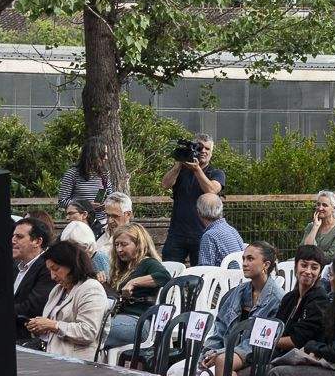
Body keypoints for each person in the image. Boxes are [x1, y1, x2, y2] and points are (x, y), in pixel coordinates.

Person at [186, 242, 284, 376]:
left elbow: (259, 341)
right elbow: (220, 327)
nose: (244, 263)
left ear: (266, 264)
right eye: (244, 258)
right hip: (225, 352)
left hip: (253, 354)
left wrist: (220, 353)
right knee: (177, 369)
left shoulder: (276, 299)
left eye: (250, 259)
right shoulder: (239, 292)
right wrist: (210, 351)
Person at [25, 240, 109, 360]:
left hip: (79, 362)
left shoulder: (91, 289)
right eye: (50, 270)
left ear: (72, 265)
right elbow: (51, 327)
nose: (52, 276)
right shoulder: (58, 290)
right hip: (55, 356)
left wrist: (53, 325)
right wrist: (39, 327)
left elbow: (88, 332)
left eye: (56, 269)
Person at [99, 223, 171, 356]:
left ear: (138, 244)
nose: (119, 249)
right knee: (85, 328)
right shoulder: (122, 268)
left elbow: (165, 277)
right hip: (118, 318)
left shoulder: (148, 263)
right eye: (116, 245)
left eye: (124, 244)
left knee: (94, 330)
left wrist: (134, 282)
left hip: (139, 322)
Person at [159, 133, 225, 262]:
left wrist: (197, 170)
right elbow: (165, 184)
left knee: (200, 273)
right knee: (169, 271)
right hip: (177, 233)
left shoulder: (216, 173)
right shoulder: (181, 171)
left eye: (207, 149)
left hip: (203, 233)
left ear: (212, 153)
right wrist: (179, 163)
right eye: (200, 148)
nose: (203, 151)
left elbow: (211, 190)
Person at [267, 246, 333, 355]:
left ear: (320, 273)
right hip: (279, 354)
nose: (308, 271)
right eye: (304, 265)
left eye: (314, 267)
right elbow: (276, 327)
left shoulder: (320, 300)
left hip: (302, 358)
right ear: (296, 267)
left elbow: (298, 340)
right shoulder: (289, 298)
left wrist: (265, 341)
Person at [10, 213, 57, 345]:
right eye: (13, 236)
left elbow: (32, 308)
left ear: (37, 241)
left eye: (19, 237)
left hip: (27, 338)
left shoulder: (47, 268)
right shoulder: (15, 266)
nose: (13, 240)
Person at [56, 139, 111, 224]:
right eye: (103, 154)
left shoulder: (104, 174)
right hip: (80, 223)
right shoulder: (73, 173)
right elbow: (62, 201)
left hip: (101, 222)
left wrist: (106, 204)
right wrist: (86, 205)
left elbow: (110, 196)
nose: (106, 158)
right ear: (93, 154)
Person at [188, 192, 244, 268]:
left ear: (198, 212)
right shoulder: (232, 230)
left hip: (222, 278)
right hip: (240, 277)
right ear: (221, 209)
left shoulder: (209, 236)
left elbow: (205, 269)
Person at [91, 192, 135, 273]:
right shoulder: (98, 230)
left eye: (115, 216)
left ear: (128, 214)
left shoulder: (134, 237)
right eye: (107, 215)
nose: (110, 220)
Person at [299, 189, 335, 260]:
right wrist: (315, 227)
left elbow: (331, 256)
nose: (320, 208)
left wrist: (310, 254)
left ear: (333, 208)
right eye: (318, 204)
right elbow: (302, 249)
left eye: (324, 205)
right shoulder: (311, 226)